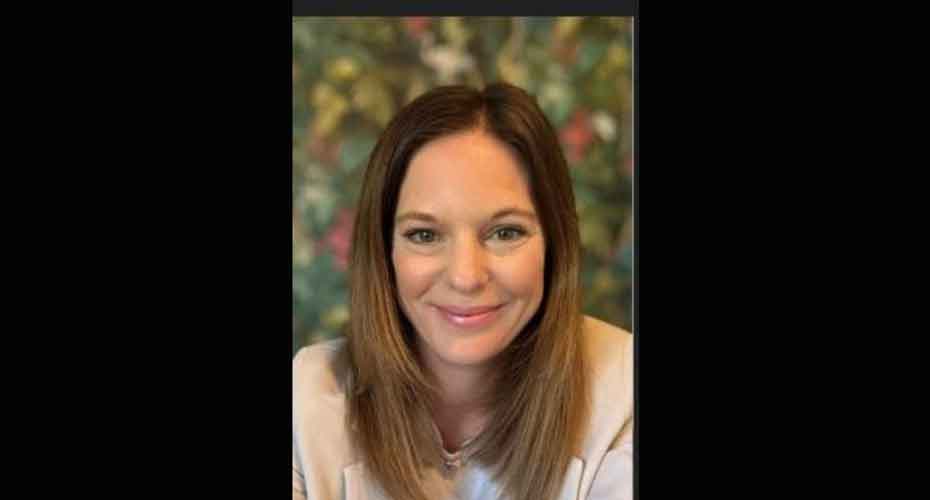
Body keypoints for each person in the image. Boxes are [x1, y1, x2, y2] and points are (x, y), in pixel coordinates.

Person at [293, 82, 633, 500]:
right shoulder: (304, 399)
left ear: (554, 242)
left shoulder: (625, 394)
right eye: (424, 234)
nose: (466, 276)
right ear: (385, 253)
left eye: (505, 232)